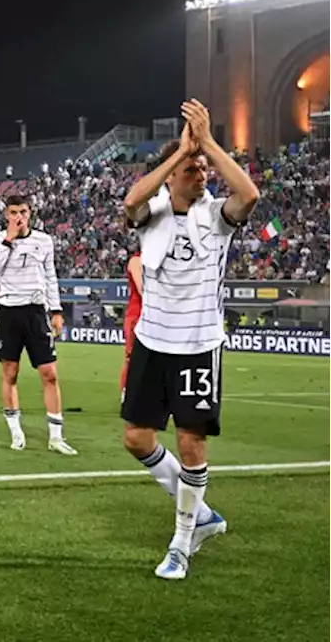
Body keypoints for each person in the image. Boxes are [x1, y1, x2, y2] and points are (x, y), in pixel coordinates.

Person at [120, 99, 256, 580]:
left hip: (198, 344)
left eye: (204, 169)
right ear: (174, 175)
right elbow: (131, 201)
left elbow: (250, 194)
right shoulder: (151, 216)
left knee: (191, 441)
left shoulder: (218, 216)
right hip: (153, 342)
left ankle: (182, 540)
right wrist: (180, 152)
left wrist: (210, 145)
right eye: (193, 170)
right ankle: (200, 512)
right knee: (136, 438)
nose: (202, 175)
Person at [0, 193, 77, 455]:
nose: (19, 217)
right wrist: (8, 239)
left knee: (49, 373)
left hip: (36, 312)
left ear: (30, 213)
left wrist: (56, 310)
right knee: (10, 373)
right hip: (9, 310)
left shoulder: (44, 241)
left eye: (23, 212)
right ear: (6, 215)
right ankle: (16, 431)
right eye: (13, 213)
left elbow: (50, 276)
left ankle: (56, 436)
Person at [120, 251, 143, 390]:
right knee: (132, 358)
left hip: (154, 315)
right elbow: (142, 289)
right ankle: (127, 393)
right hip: (137, 315)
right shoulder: (136, 260)